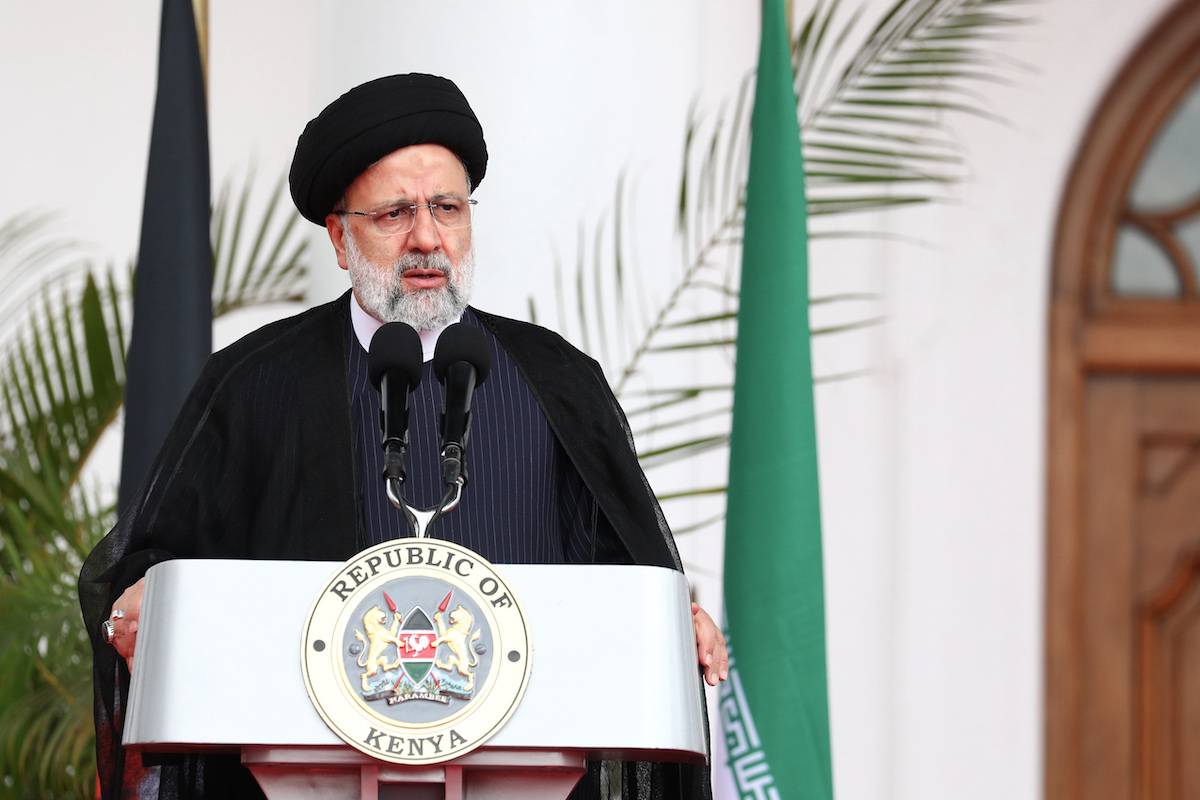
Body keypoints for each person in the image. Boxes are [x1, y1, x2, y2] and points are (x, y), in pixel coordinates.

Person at [81, 73, 725, 799]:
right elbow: (160, 566)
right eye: (394, 214)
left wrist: (670, 624)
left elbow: (621, 571)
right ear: (338, 235)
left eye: (446, 208)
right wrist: (143, 605)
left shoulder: (557, 379)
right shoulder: (255, 382)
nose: (427, 238)